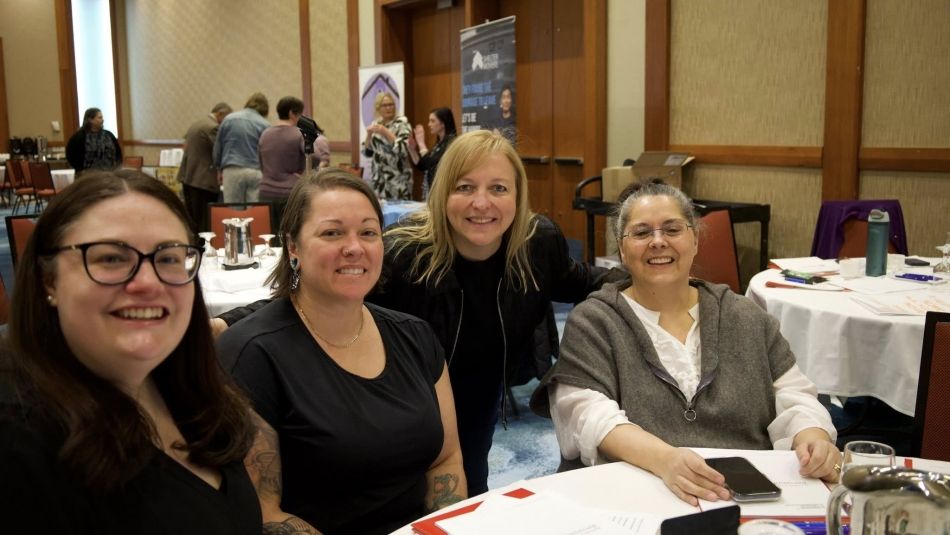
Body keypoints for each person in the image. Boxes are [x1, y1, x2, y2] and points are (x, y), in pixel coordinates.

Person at [215, 130, 626, 495]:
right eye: (465, 187)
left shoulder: (537, 244)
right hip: (410, 395)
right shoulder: (405, 253)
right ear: (442, 192)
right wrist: (227, 322)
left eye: (499, 188)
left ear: (518, 197)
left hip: (482, 387)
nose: (482, 203)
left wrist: (657, 278)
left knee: (471, 485)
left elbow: (582, 280)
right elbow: (312, 295)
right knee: (401, 486)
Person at [530, 180, 840, 506]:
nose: (658, 241)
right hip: (636, 490)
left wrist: (812, 436)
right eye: (641, 233)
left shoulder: (745, 316)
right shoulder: (595, 321)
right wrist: (666, 460)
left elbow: (795, 397)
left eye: (672, 229)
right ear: (622, 250)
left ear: (694, 240)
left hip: (743, 493)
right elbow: (587, 416)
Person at [0, 171, 261, 533]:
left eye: (168, 258)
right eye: (110, 259)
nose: (148, 283)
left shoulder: (185, 391)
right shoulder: (20, 444)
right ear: (49, 280)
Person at [216, 169, 467, 535]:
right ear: (293, 247)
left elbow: (446, 459)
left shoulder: (415, 336)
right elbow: (264, 512)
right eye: (332, 233)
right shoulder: (252, 354)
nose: (355, 247)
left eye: (368, 232)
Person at [177, 102, 232, 231]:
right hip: (203, 181)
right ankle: (203, 249)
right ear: (220, 114)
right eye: (226, 119)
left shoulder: (198, 123)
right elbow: (219, 151)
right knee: (204, 222)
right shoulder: (212, 127)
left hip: (189, 177)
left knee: (192, 220)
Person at [213, 92, 270, 203]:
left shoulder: (229, 119)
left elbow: (218, 148)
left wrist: (218, 169)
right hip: (255, 171)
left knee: (233, 212)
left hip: (232, 170)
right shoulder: (265, 124)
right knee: (254, 212)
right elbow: (267, 152)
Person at [259, 96, 306, 226]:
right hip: (290, 193)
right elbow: (315, 156)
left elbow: (260, 163)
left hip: (265, 192)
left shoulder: (265, 133)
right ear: (292, 113)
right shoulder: (299, 134)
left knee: (269, 235)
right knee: (289, 234)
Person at [363, 92, 412, 200]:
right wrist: (369, 135)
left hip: (397, 180)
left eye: (391, 104)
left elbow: (403, 149)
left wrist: (385, 132)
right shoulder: (377, 123)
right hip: (379, 180)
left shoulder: (401, 123)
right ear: (378, 108)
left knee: (399, 215)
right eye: (385, 105)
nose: (389, 108)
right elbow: (367, 152)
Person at [408, 106, 457, 199]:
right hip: (432, 192)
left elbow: (430, 163)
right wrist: (412, 150)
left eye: (433, 121)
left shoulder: (452, 142)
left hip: (443, 194)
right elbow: (423, 166)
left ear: (443, 123)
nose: (429, 124)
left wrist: (421, 143)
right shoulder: (438, 144)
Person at [66, 107, 122, 175]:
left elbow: (118, 153)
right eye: (99, 117)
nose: (102, 120)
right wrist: (80, 169)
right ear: (90, 120)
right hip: (87, 176)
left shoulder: (109, 135)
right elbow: (71, 155)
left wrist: (117, 168)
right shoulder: (79, 137)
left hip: (109, 174)